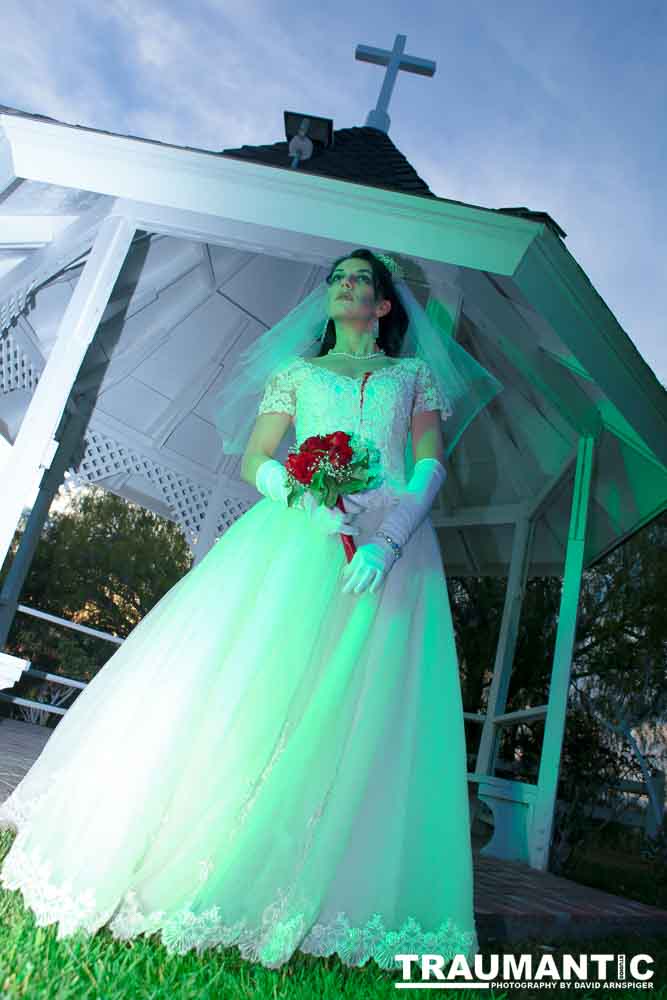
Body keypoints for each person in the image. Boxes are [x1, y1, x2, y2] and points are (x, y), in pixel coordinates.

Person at [0, 249, 496, 972]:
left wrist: (388, 539)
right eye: (337, 279)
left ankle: (322, 877)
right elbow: (257, 457)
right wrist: (306, 500)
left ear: (384, 307)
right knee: (256, 682)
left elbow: (428, 460)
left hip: (390, 545)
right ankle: (215, 847)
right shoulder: (294, 375)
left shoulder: (411, 376)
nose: (344, 287)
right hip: (296, 537)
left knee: (363, 701)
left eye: (360, 280)